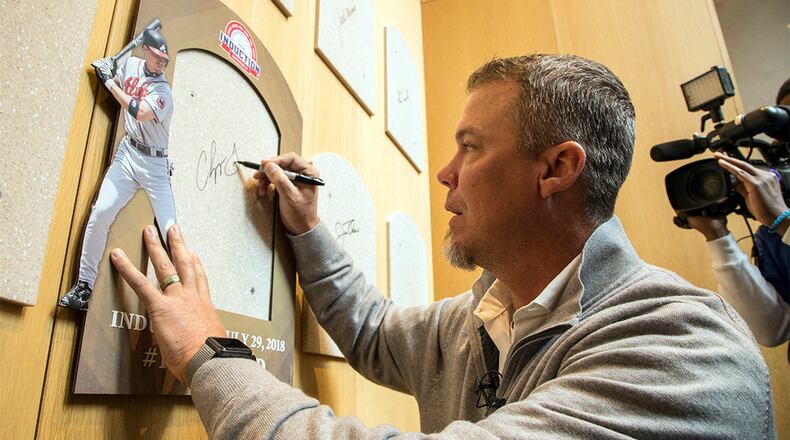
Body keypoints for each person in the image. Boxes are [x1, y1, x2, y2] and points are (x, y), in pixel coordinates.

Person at [110, 54, 774, 438]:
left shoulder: (687, 354)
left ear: (556, 170)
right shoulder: (482, 317)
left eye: (471, 147)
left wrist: (207, 350)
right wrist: (308, 229)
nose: (446, 173)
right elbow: (371, 330)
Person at [58, 29, 175, 311]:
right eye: (158, 57)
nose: (162, 63)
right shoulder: (132, 65)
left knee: (171, 231)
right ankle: (84, 287)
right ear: (145, 50)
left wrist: (110, 81)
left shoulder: (163, 92)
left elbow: (137, 110)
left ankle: (178, 295)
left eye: (165, 60)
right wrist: (110, 68)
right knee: (100, 213)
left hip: (155, 164)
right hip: (128, 153)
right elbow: (107, 65)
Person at [686, 78, 790, 347]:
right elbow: (772, 329)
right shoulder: (772, 236)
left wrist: (782, 221)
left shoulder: (780, 225)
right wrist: (718, 237)